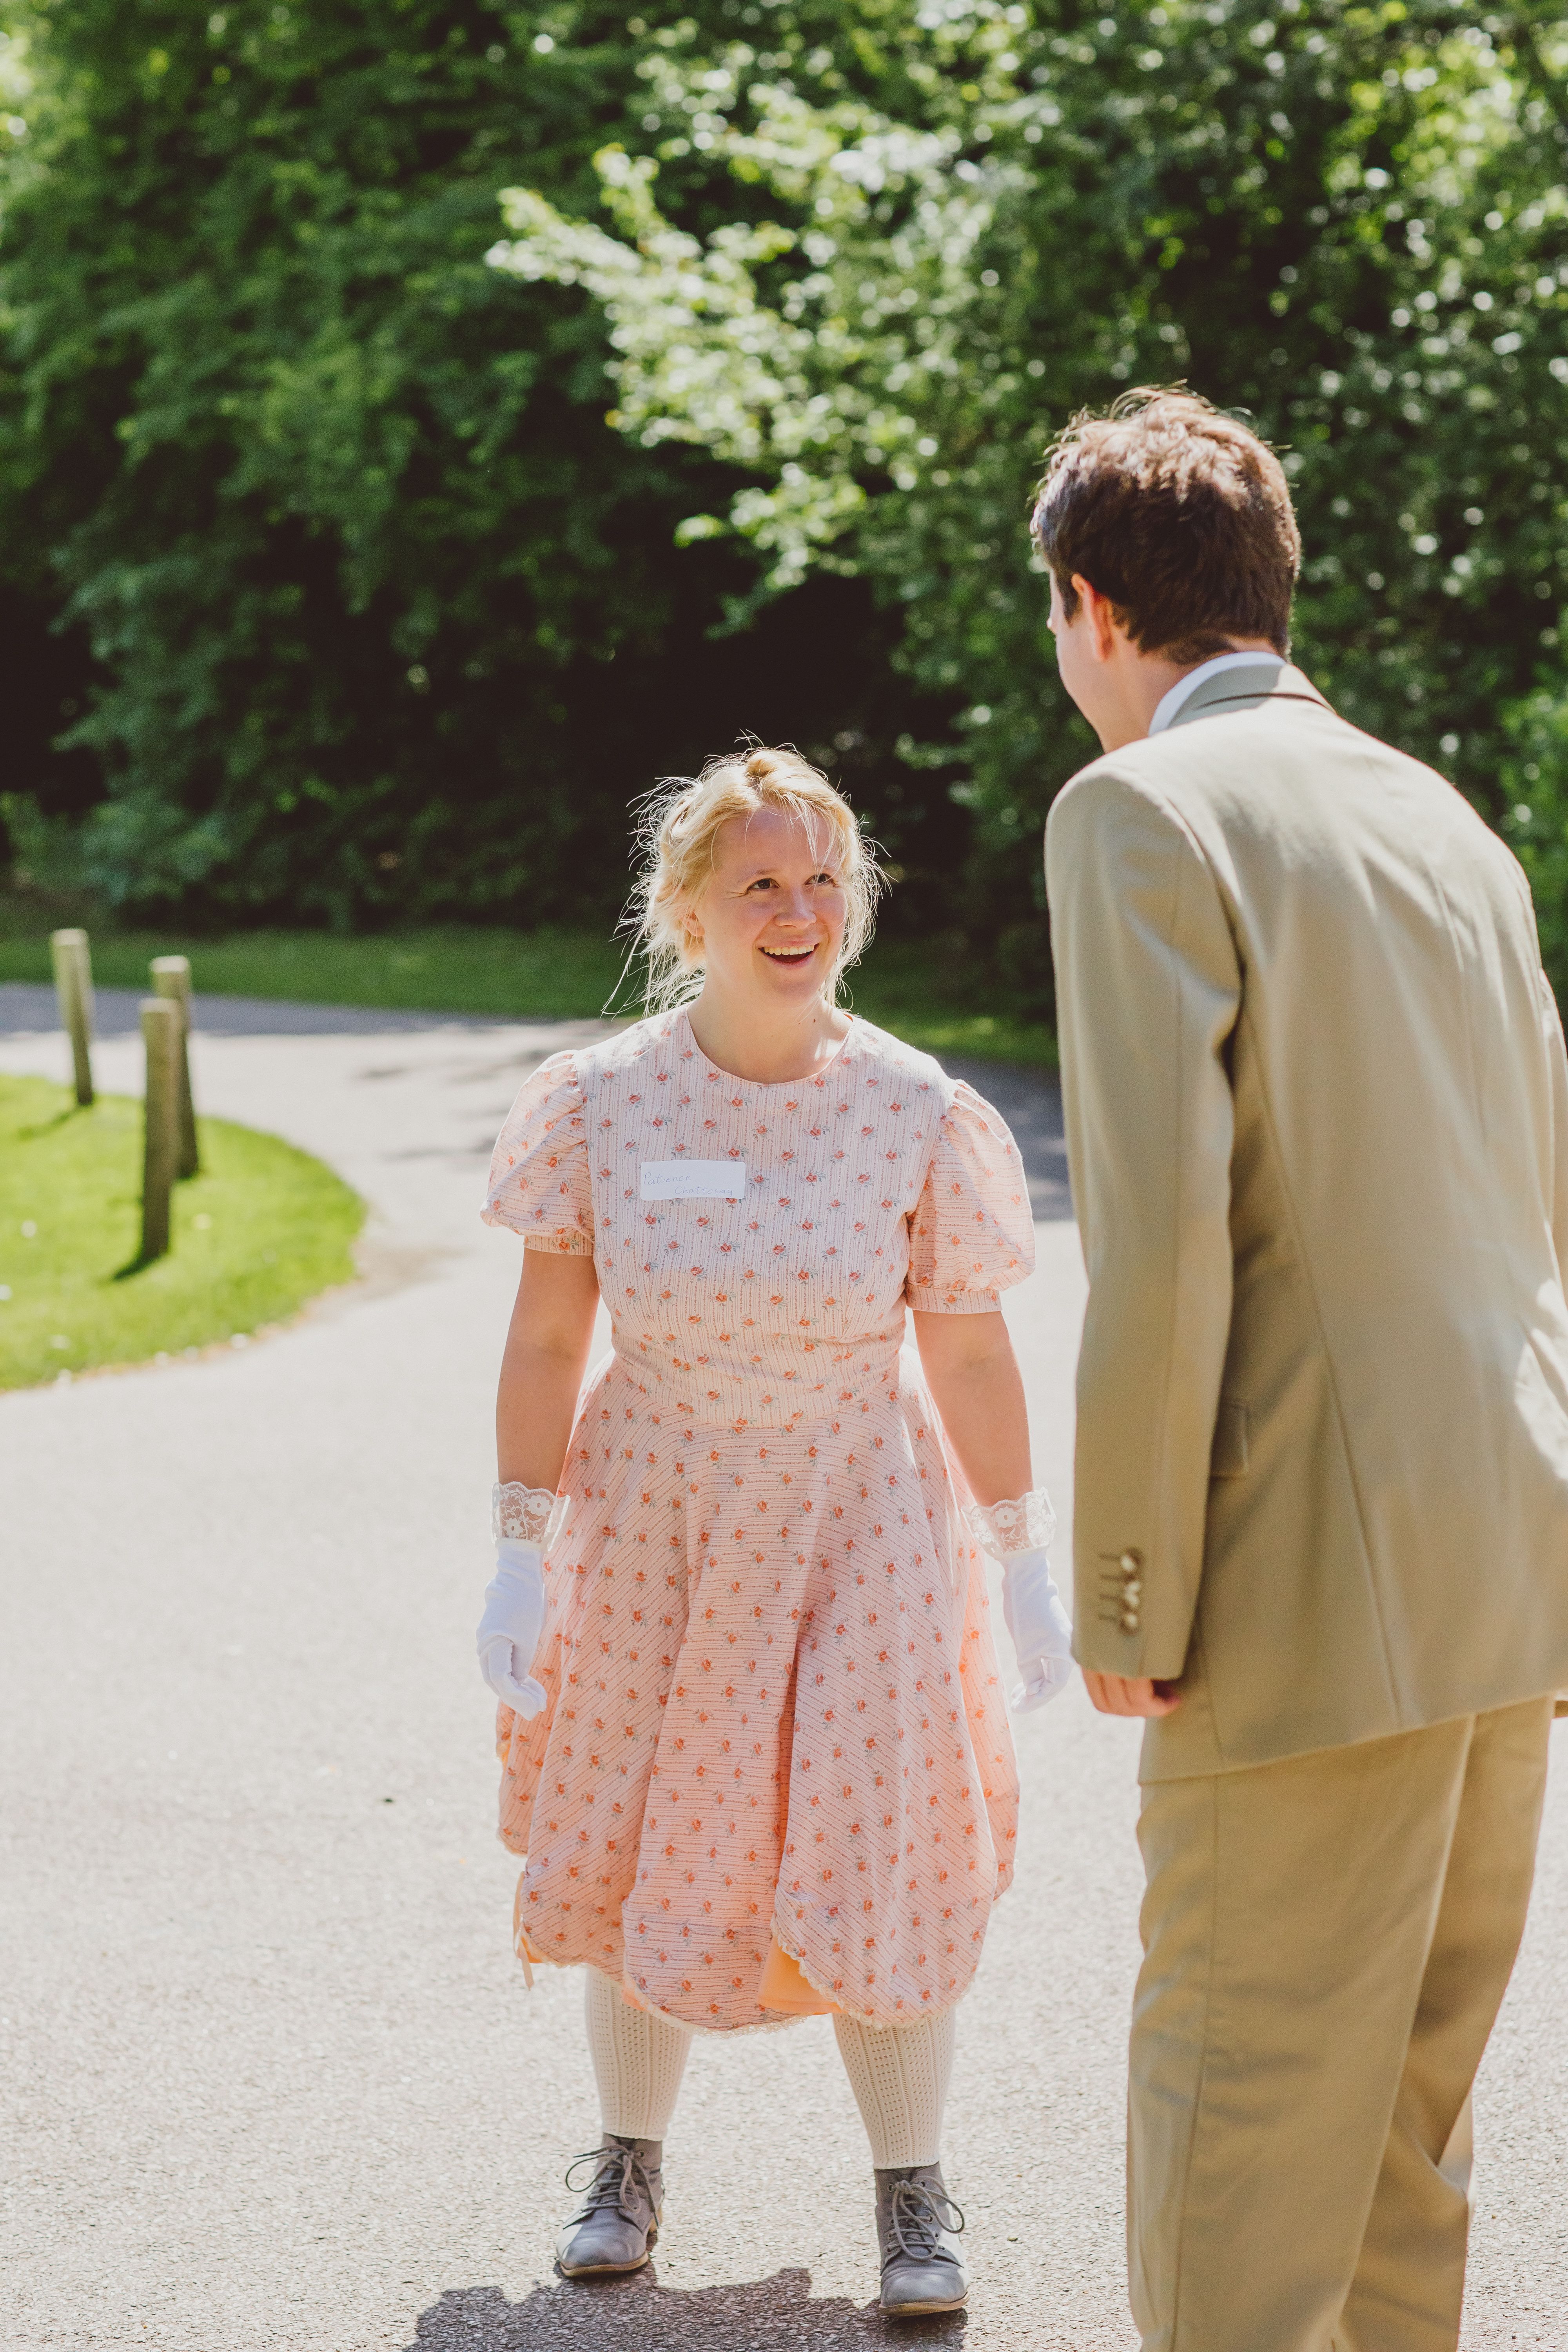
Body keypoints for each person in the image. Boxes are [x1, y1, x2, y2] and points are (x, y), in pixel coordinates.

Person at [1038, 388, 1568, 2352]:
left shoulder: (1140, 813)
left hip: (1301, 1577)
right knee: (1396, 2148)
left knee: (1238, 2125)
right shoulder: (1445, 812)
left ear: (1095, 608)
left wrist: (1127, 1593)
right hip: (1508, 1550)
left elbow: (1162, 1249)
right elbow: (1544, 1182)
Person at [474, 746, 1073, 2314]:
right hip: (656, 1508)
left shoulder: (912, 1109)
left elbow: (966, 1347)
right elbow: (547, 1344)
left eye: (824, 882)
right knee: (635, 1817)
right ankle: (625, 2162)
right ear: (687, 913)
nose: (798, 913)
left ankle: (912, 2195)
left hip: (859, 1516)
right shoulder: (596, 1105)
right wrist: (515, 1546)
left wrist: (1021, 1558)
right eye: (760, 885)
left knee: (884, 1840)